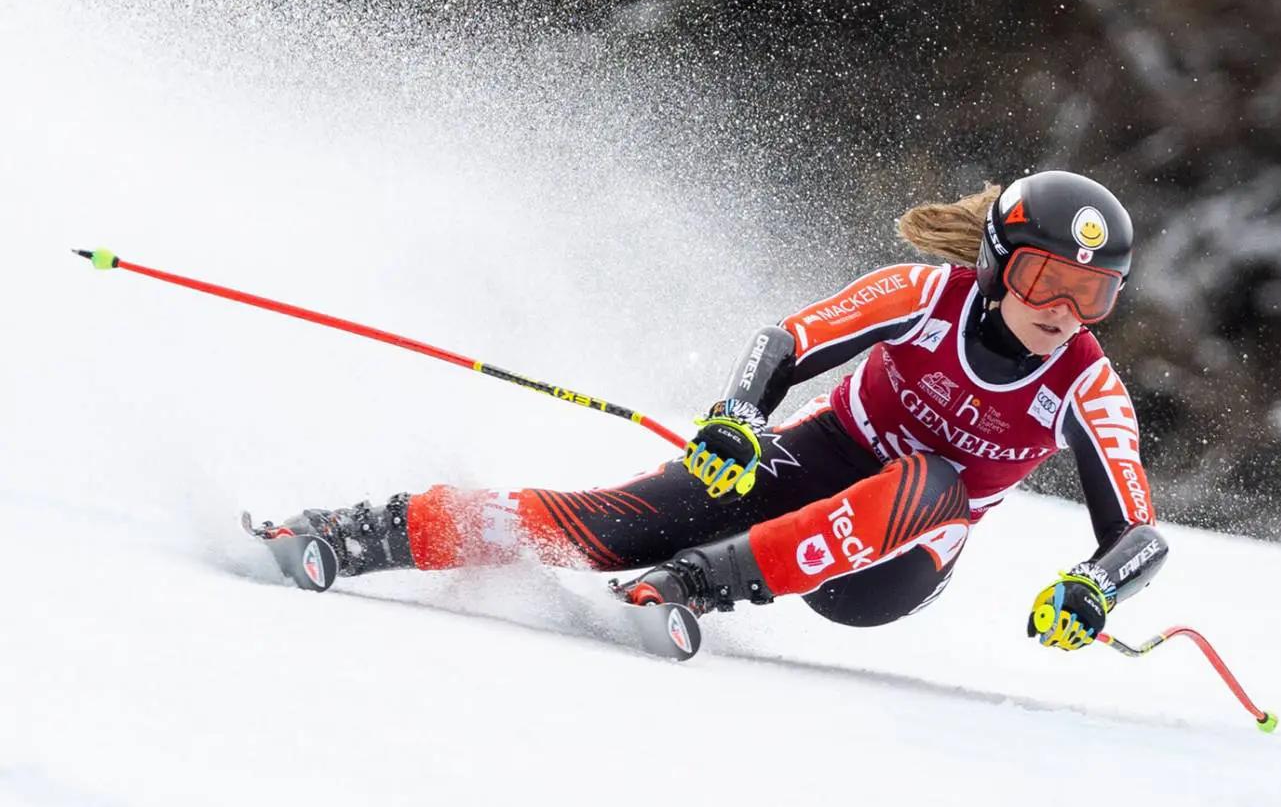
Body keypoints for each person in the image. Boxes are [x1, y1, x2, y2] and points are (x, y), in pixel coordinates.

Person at [265, 170, 1168, 653]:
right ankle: (361, 533)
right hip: (816, 459)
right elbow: (787, 343)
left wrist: (1095, 589)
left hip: (892, 558)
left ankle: (701, 582)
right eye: (1047, 279)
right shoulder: (924, 294)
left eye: (1096, 295)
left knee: (936, 479)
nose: (1065, 312)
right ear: (998, 264)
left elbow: (1139, 536)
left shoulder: (1085, 385)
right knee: (614, 524)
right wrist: (738, 415)